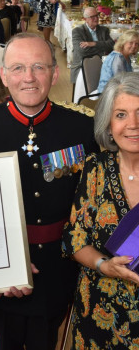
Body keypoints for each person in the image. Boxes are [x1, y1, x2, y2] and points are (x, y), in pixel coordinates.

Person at [0, 33, 100, 350]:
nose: (29, 78)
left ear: (55, 73)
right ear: (4, 76)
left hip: (61, 266)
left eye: (39, 67)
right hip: (1, 275)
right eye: (18, 68)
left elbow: (92, 202)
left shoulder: (80, 126)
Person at [62, 72, 139, 350]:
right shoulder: (95, 168)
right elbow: (74, 238)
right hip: (99, 314)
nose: (133, 124)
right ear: (107, 122)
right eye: (121, 115)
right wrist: (103, 265)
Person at [71, 6, 115, 83]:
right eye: (92, 17)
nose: (96, 18)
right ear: (85, 19)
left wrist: (94, 44)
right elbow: (82, 52)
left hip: (102, 65)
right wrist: (102, 48)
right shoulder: (77, 31)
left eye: (97, 15)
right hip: (82, 66)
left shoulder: (104, 30)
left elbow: (112, 45)